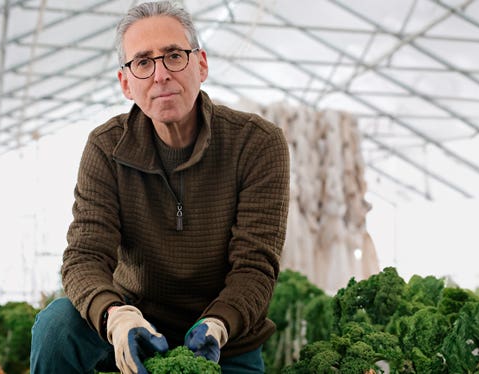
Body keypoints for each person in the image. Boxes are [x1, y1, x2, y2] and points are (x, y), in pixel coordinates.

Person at [30, 1, 289, 373]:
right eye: (143, 62)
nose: (161, 74)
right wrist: (115, 316)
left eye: (174, 56)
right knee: (57, 326)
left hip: (223, 337)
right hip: (133, 326)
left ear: (201, 64)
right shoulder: (107, 147)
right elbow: (84, 256)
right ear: (126, 83)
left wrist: (218, 323)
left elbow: (255, 265)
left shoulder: (257, 143)